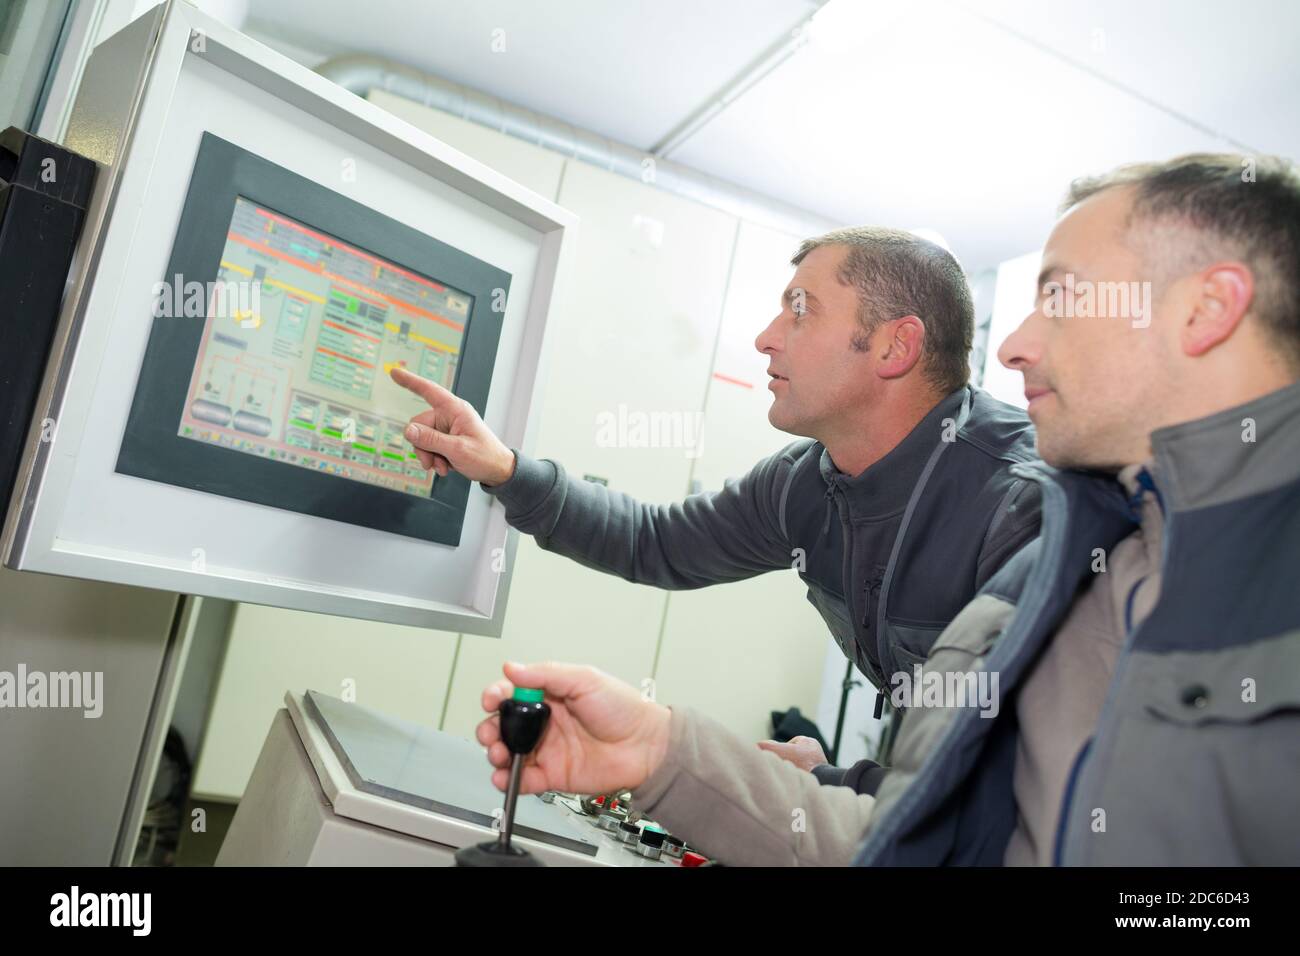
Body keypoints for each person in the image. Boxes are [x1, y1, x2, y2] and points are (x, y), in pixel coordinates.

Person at [473, 152, 1300, 866]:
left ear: (1206, 309)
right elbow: (974, 816)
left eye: (1063, 296)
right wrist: (507, 471)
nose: (1015, 346)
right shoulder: (1092, 541)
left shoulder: (1036, 512)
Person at [393, 227, 1040, 791]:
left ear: (894, 348)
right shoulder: (803, 484)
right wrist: (505, 469)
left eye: (800, 312)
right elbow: (654, 543)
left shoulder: (1019, 504)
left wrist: (838, 783)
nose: (765, 338)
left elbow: (1024, 771)